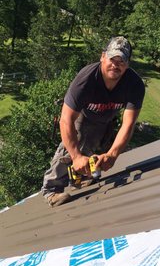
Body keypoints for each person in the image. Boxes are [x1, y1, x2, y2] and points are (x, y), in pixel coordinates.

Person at [42, 36, 145, 207]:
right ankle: (51, 189)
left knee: (95, 150)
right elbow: (66, 119)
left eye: (122, 61)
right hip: (82, 117)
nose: (116, 65)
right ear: (103, 56)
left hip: (106, 120)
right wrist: (75, 157)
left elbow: (128, 124)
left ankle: (79, 179)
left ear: (127, 64)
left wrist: (112, 155)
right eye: (113, 59)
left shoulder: (134, 85)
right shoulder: (86, 80)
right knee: (73, 146)